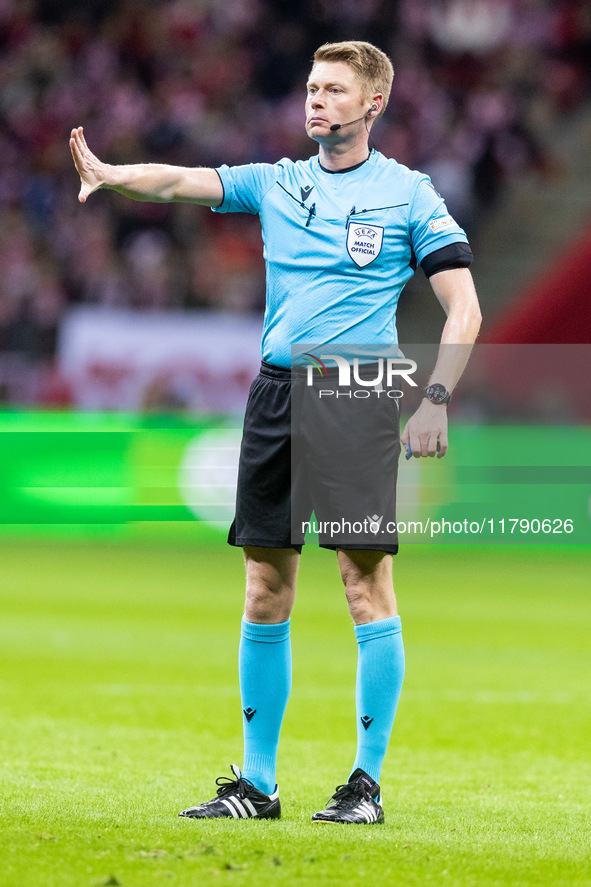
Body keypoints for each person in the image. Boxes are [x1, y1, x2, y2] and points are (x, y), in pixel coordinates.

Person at [70, 40, 482, 825]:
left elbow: (463, 308)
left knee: (363, 583)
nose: (315, 100)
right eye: (310, 87)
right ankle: (257, 783)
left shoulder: (408, 194)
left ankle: (365, 783)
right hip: (274, 394)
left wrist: (434, 398)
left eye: (333, 89)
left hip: (355, 394)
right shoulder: (278, 182)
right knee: (264, 586)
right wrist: (117, 174)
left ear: (372, 104)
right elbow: (189, 182)